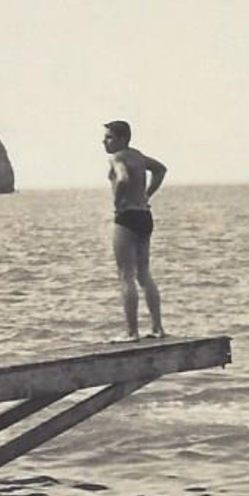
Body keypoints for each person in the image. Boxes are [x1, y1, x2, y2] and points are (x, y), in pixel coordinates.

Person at [102, 120, 168, 340]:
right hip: (144, 215)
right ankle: (157, 328)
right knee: (144, 274)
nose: (104, 141)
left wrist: (118, 202)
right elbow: (160, 169)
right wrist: (147, 194)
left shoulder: (117, 157)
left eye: (109, 137)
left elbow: (122, 179)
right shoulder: (139, 157)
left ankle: (132, 332)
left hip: (127, 216)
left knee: (126, 275)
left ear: (121, 139)